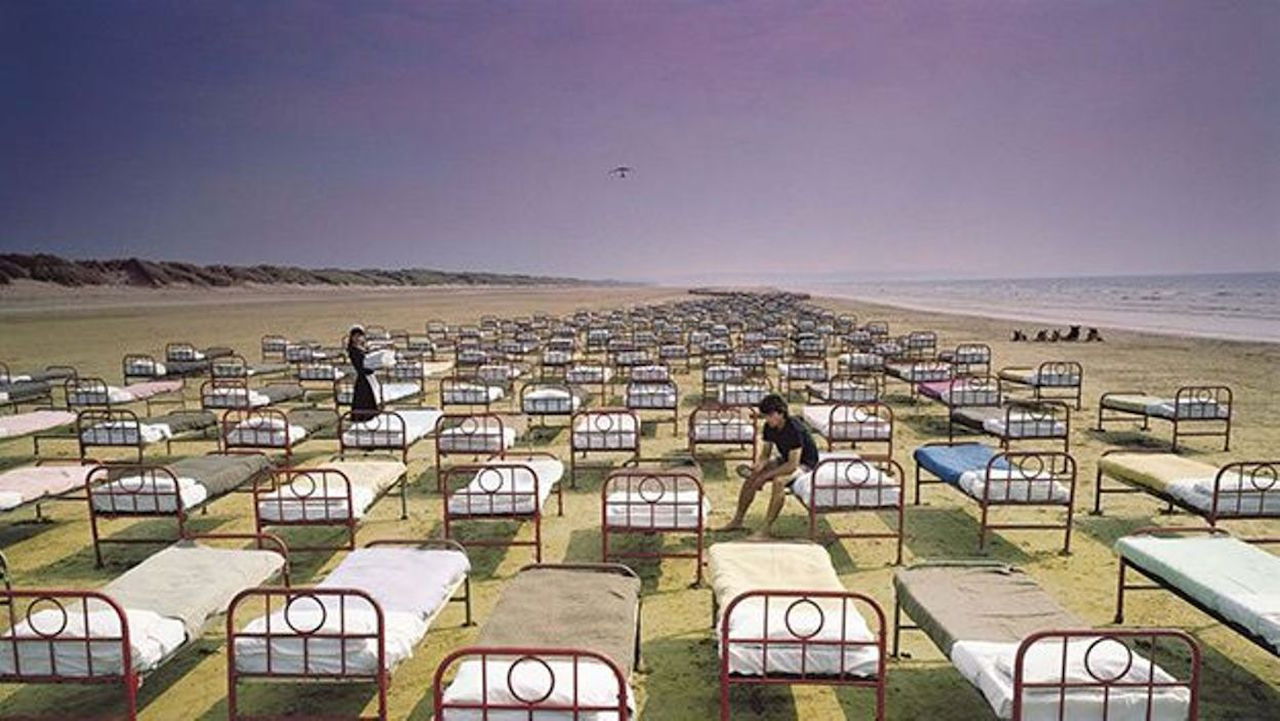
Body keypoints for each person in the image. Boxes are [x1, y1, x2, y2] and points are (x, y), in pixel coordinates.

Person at [719, 393, 819, 537]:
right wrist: (758, 467)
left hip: (805, 464)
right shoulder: (769, 427)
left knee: (779, 482)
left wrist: (765, 477)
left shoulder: (795, 429)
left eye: (769, 415)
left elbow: (793, 465)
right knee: (752, 477)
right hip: (786, 459)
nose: (767, 419)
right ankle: (738, 520)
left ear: (781, 413)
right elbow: (765, 454)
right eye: (765, 416)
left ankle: (766, 528)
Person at [346, 325, 380, 422]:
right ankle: (362, 418)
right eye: (355, 336)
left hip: (368, 376)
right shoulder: (353, 350)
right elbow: (360, 365)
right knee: (363, 399)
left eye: (359, 336)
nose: (357, 338)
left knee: (369, 398)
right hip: (363, 377)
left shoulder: (362, 348)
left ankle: (369, 417)